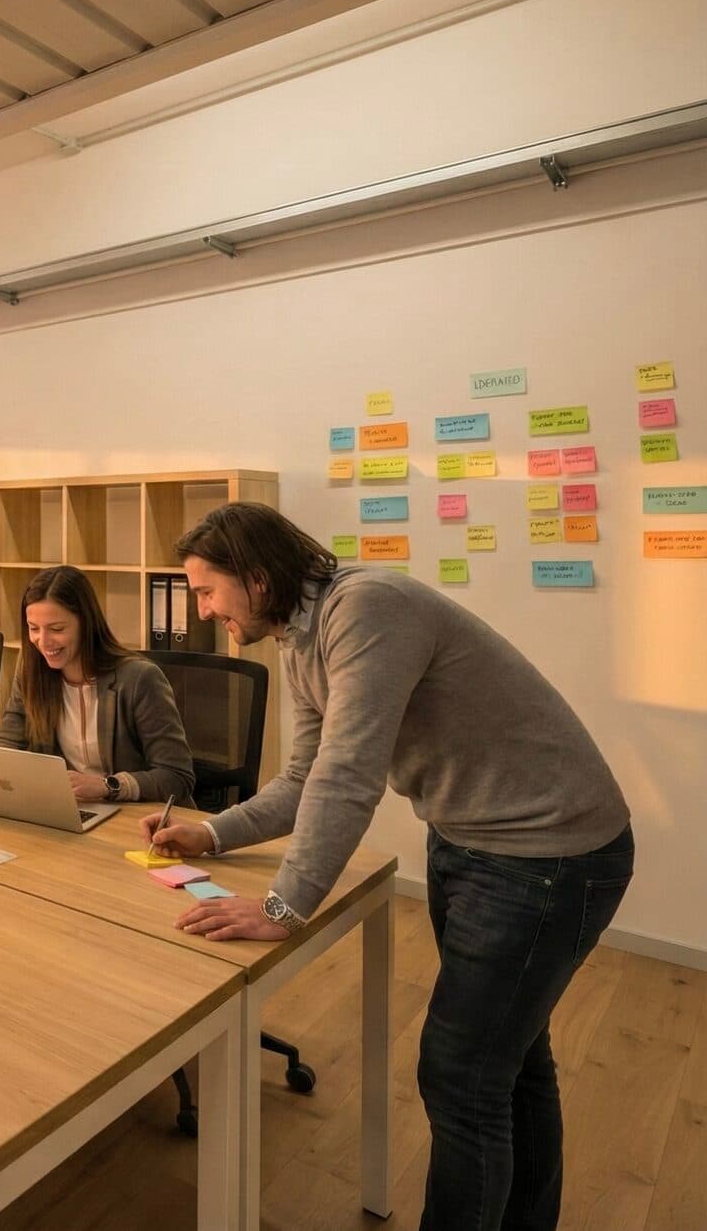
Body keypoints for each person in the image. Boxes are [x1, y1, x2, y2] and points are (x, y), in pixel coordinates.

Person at [142, 503, 631, 1231]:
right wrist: (211, 834)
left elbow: (347, 774)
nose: (203, 610)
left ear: (256, 577)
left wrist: (282, 906)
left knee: (462, 1076)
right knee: (510, 1064)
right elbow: (303, 777)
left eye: (208, 591)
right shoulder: (299, 638)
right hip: (474, 842)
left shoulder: (366, 608)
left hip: (548, 852)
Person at [0, 565, 194, 804]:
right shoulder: (31, 668)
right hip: (70, 808)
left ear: (86, 624)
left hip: (135, 816)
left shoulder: (140, 678)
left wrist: (107, 786)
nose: (43, 642)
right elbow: (9, 741)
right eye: (33, 628)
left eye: (57, 629)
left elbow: (176, 776)